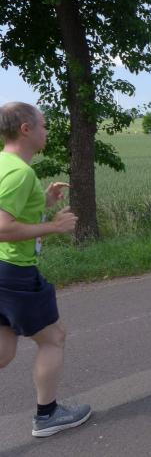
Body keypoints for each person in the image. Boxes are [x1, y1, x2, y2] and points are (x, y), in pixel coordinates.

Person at [0, 102, 91, 437]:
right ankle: (47, 415)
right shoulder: (20, 173)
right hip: (14, 272)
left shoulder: (5, 164)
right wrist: (54, 226)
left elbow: (12, 210)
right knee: (54, 337)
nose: (47, 130)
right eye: (43, 124)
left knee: (4, 350)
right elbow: (2, 227)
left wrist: (43, 201)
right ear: (25, 129)